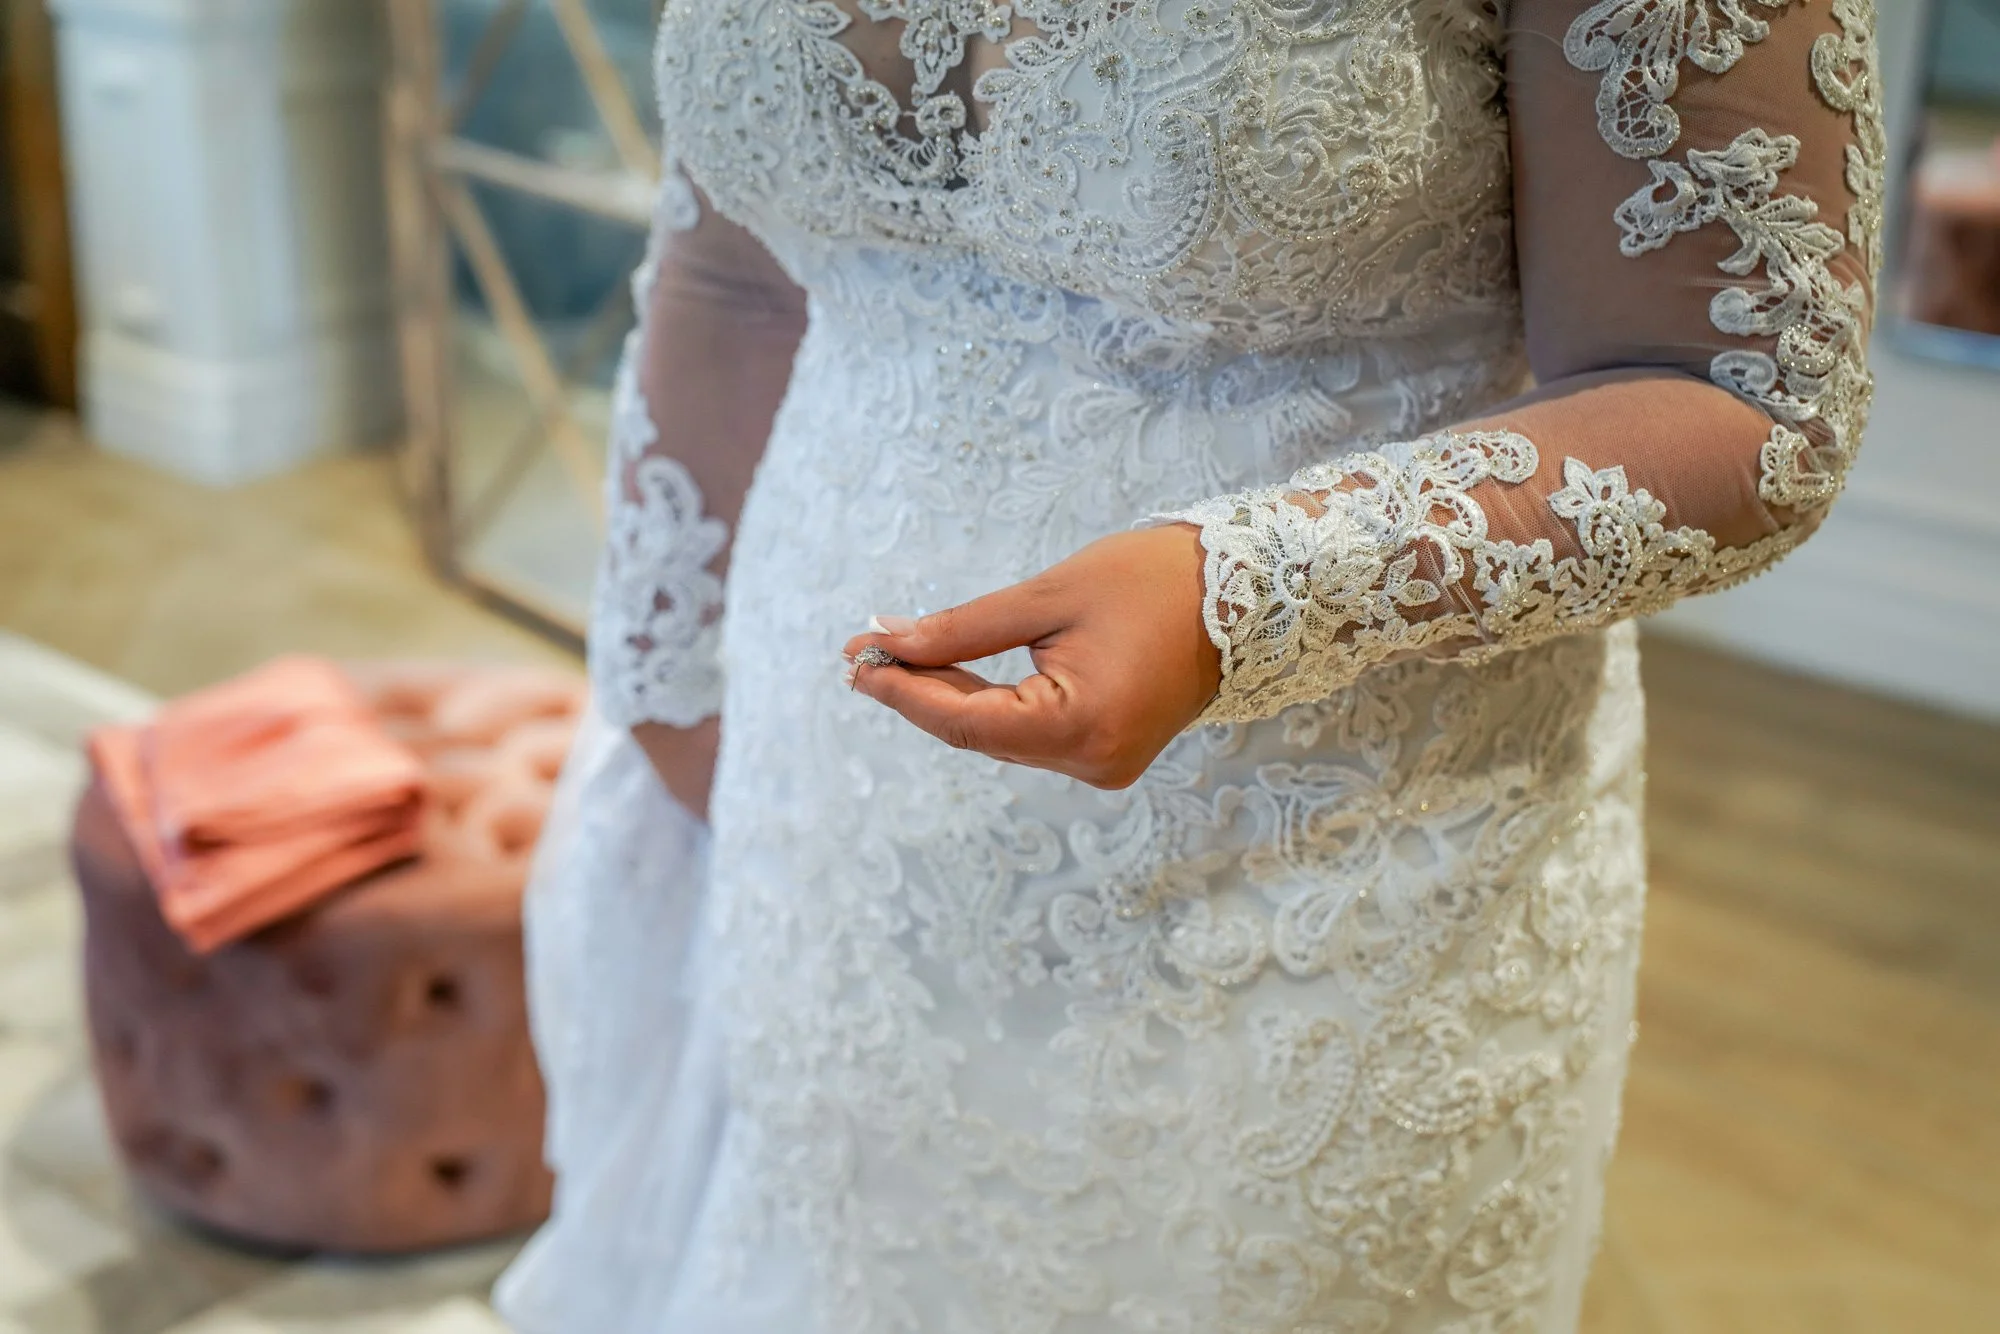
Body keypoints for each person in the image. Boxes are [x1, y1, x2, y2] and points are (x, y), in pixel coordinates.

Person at [496, 3, 1883, 1330]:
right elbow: (733, 274)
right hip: (831, 828)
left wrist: (1246, 594)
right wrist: (666, 669)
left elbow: (1745, 392)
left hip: (1328, 866)